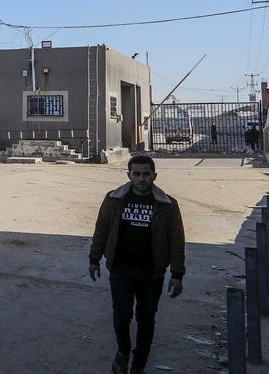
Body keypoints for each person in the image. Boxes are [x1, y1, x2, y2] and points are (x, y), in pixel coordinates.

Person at [89, 155, 185, 374]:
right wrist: (94, 259)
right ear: (129, 175)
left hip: (152, 272)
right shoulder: (114, 199)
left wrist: (177, 273)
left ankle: (139, 362)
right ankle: (123, 351)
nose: (141, 179)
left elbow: (177, 239)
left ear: (154, 176)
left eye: (146, 174)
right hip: (120, 268)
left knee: (146, 318)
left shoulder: (167, 204)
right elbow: (101, 229)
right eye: (137, 174)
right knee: (122, 315)